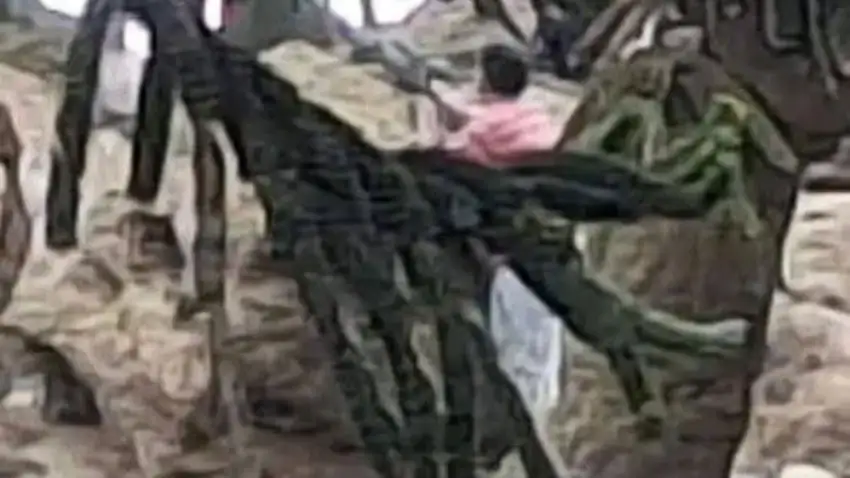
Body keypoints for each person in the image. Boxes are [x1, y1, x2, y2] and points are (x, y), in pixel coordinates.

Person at [438, 44, 562, 165]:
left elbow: (451, 149)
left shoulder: (480, 125)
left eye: (477, 71)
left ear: (484, 81)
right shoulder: (537, 114)